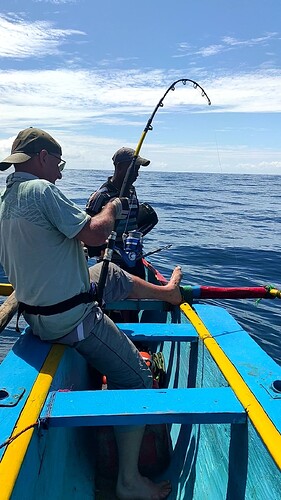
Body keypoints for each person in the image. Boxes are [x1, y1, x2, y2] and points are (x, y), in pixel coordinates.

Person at [0, 127, 185, 500]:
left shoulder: (6, 198)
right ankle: (128, 482)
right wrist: (112, 209)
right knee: (136, 376)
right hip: (70, 318)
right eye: (59, 163)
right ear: (42, 158)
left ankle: (167, 294)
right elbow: (97, 235)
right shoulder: (42, 190)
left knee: (110, 273)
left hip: (37, 312)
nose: (62, 172)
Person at [85, 147, 156, 280]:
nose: (137, 174)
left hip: (134, 260)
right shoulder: (100, 196)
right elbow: (87, 233)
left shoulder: (132, 191)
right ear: (120, 167)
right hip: (112, 264)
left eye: (138, 169)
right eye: (133, 169)